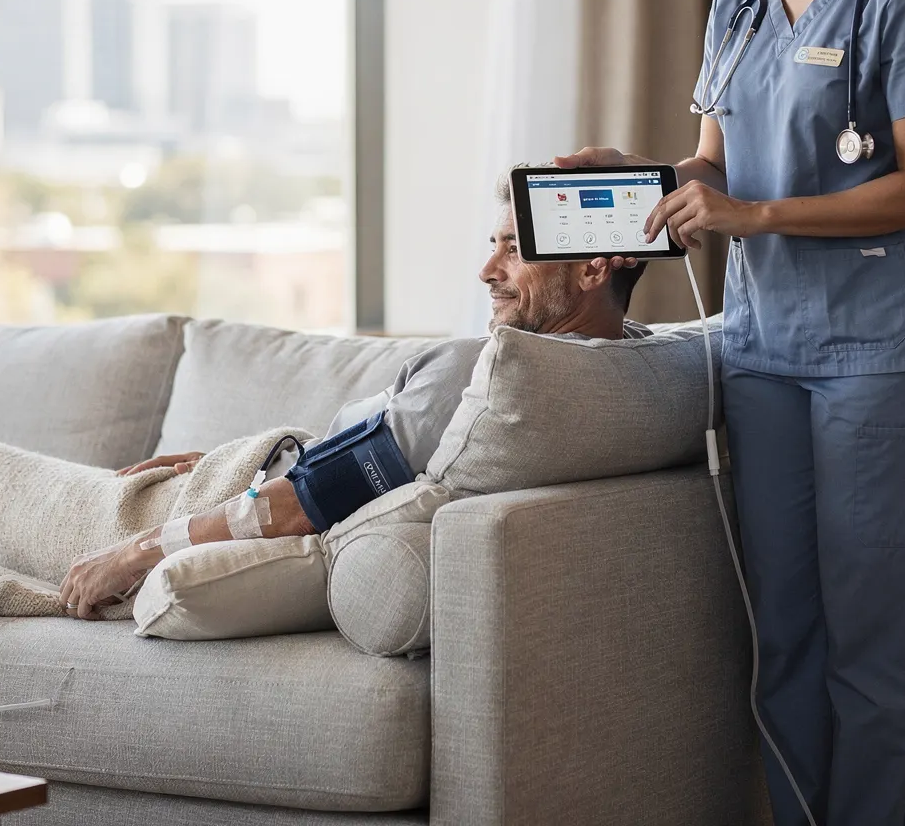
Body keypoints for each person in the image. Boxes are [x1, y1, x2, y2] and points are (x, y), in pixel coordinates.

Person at [558, 0, 905, 826]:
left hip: (881, 351)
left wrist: (760, 217)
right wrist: (639, 179)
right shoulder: (735, 8)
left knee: (870, 631)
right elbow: (714, 167)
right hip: (764, 347)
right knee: (783, 626)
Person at [58, 183, 650, 616]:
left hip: (212, 508)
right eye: (493, 245)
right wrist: (213, 459)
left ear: (594, 267)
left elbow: (299, 503)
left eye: (514, 250)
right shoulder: (631, 365)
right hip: (240, 472)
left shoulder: (483, 373)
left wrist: (134, 552)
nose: (486, 270)